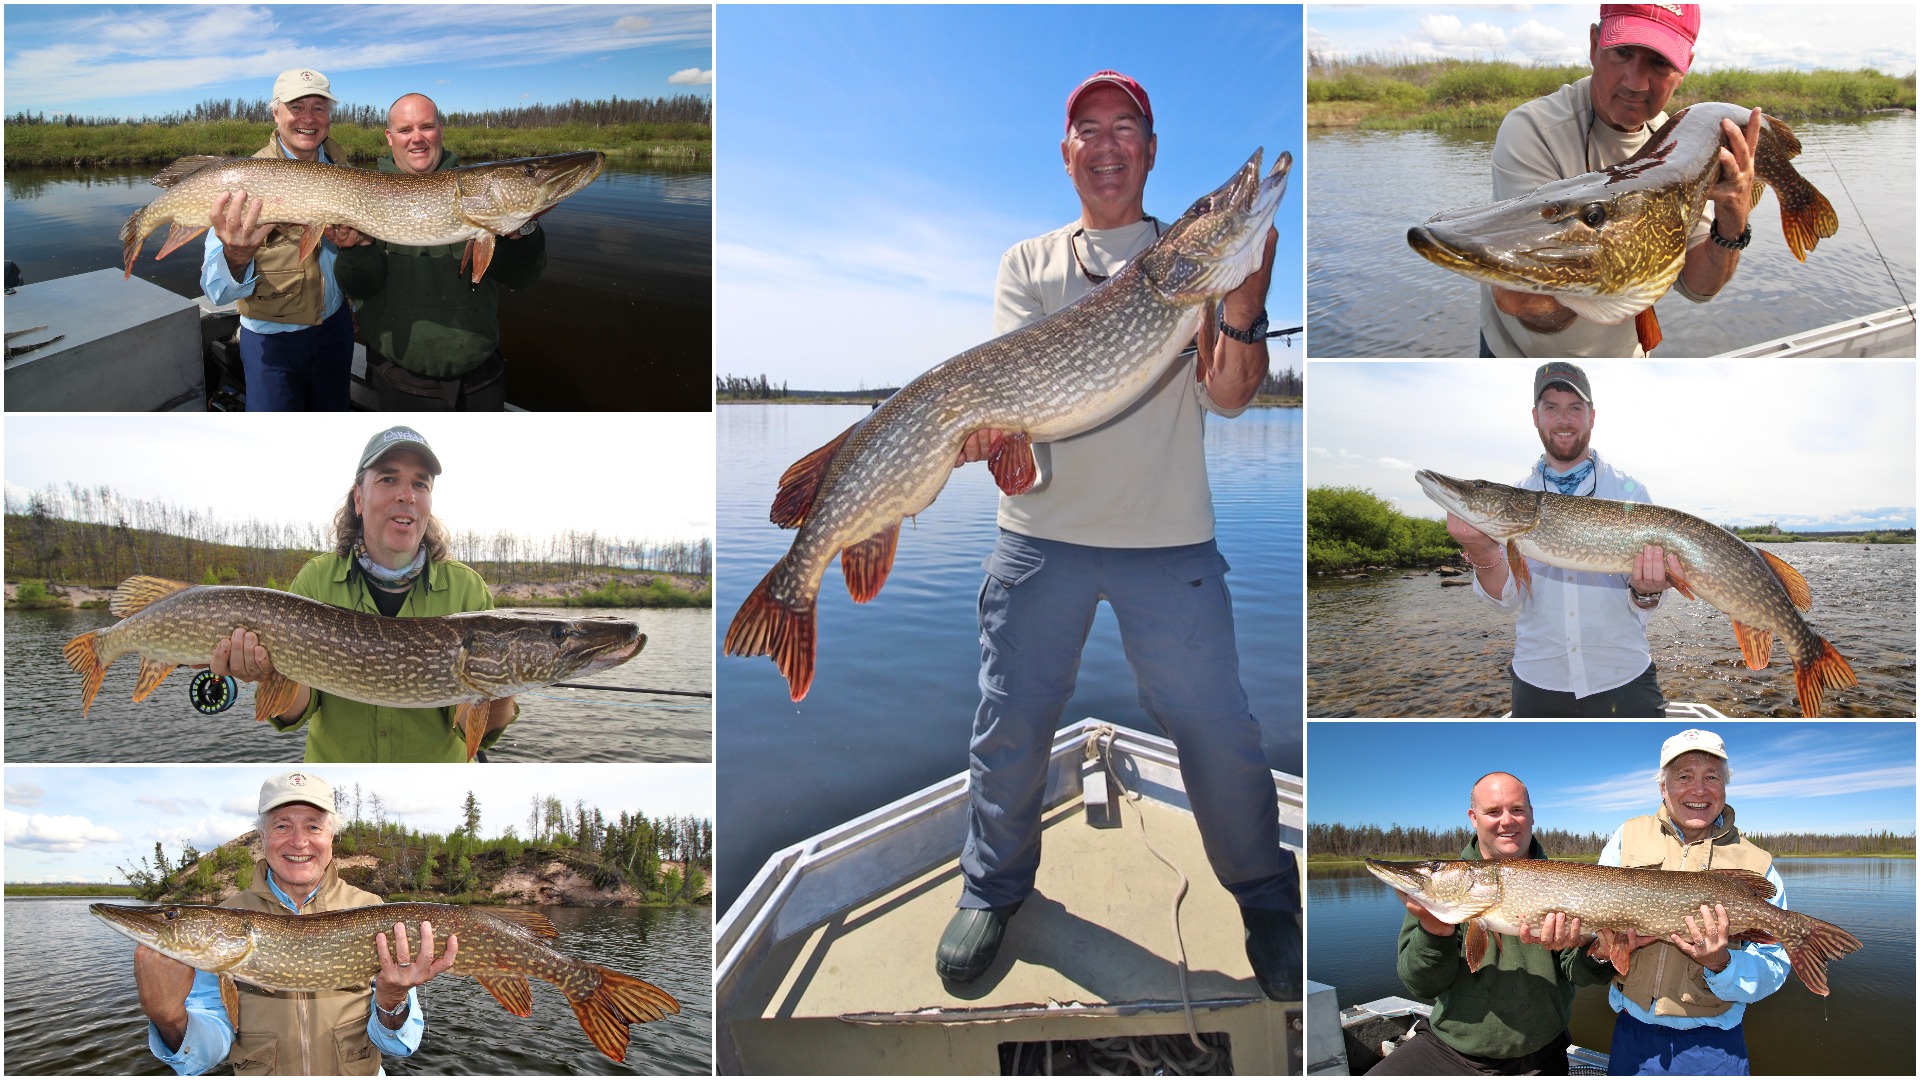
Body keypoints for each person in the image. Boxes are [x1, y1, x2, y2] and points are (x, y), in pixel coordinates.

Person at [934, 70, 1301, 1001]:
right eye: (1087, 130)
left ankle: (1265, 894)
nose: (1105, 145)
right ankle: (993, 889)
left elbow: (1227, 395)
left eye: (1124, 128)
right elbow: (1020, 401)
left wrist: (1244, 308)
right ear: (1067, 155)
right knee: (1009, 726)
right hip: (1038, 539)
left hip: (1168, 541)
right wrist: (990, 430)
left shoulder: (1192, 266)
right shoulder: (1028, 264)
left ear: (1148, 149)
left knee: (1219, 733)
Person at [210, 427, 515, 762]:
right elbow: (295, 710)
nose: (407, 495)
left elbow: (477, 732)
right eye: (388, 479)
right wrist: (267, 672)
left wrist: (500, 686)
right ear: (358, 498)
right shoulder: (316, 579)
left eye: (420, 483)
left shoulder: (468, 590)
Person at [1479, 5, 1761, 358]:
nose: (1635, 82)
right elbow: (1531, 311)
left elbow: (1698, 288)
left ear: (1683, 67)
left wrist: (1732, 222)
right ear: (1595, 44)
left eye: (1659, 62)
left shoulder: (1682, 149)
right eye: (1623, 52)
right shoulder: (1533, 130)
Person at [133, 772, 454, 1074]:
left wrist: (392, 1001)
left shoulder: (372, 910)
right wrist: (170, 1018)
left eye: (313, 827)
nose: (299, 842)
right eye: (282, 826)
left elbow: (400, 1044)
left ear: (331, 836)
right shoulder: (228, 915)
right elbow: (204, 1054)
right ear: (262, 836)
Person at [1449, 362, 1680, 717]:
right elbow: (1506, 600)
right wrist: (1480, 550)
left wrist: (1647, 591)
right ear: (1535, 416)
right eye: (1551, 408)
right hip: (1539, 677)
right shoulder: (1519, 498)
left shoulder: (1630, 493)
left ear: (1592, 416)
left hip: (1623, 675)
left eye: (1575, 407)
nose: (1564, 420)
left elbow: (1646, 604)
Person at [1369, 772, 1614, 1075]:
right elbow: (1421, 985)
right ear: (1474, 817)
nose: (1507, 820)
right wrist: (1435, 928)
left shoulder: (1565, 883)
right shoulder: (1442, 900)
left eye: (1517, 809)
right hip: (1453, 1050)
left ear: (1531, 815)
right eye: (1493, 811)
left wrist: (1603, 951)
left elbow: (1580, 973)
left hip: (1542, 1053)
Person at [333, 93, 548, 411]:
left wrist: (523, 230)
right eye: (405, 130)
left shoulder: (482, 192)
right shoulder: (364, 191)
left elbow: (521, 278)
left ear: (440, 130)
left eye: (426, 126)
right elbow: (359, 288)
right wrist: (355, 250)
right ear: (390, 138)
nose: (417, 138)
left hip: (480, 373)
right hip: (397, 374)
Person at [1596, 730, 1789, 1075]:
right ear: (1663, 787)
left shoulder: (1756, 862)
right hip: (1631, 1034)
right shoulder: (1627, 836)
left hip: (1713, 1046)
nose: (1698, 790)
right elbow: (1595, 924)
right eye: (1684, 776)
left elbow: (1774, 968)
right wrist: (1599, 946)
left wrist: (1721, 963)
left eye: (1711, 777)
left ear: (1724, 786)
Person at [201, 69, 367, 410]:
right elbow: (215, 292)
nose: (309, 117)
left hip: (335, 330)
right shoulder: (244, 178)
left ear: (329, 117)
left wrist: (350, 303)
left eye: (319, 107)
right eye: (297, 106)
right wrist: (236, 255)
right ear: (276, 114)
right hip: (270, 340)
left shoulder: (345, 171)